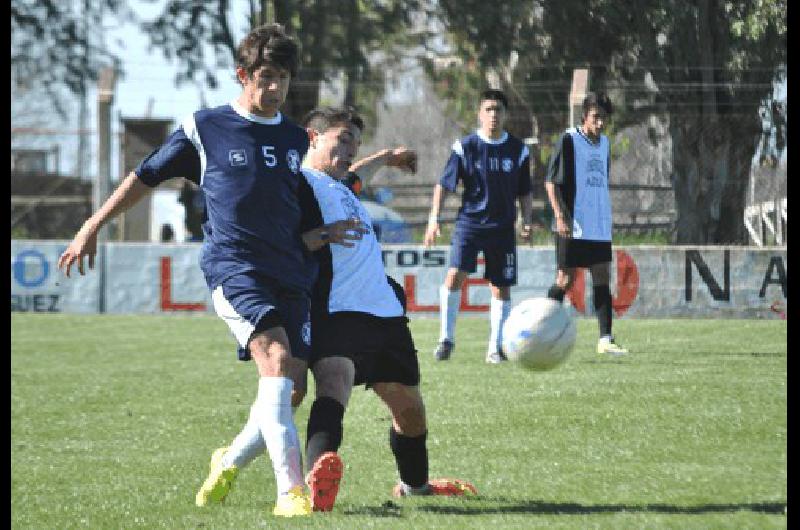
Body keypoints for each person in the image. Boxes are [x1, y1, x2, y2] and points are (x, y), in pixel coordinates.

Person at [57, 23, 361, 518]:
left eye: (282, 78)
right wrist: (93, 224)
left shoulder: (293, 138)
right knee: (278, 360)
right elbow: (144, 177)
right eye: (264, 77)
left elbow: (315, 188)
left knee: (290, 391)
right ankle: (289, 493)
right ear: (243, 75)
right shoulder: (206, 128)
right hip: (236, 270)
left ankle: (228, 461)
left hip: (292, 274)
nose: (274, 88)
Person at [195, 106, 477, 512]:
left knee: (410, 410)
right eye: (343, 140)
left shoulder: (342, 185)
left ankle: (415, 487)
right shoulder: (295, 184)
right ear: (312, 137)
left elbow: (357, 174)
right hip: (335, 309)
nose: (350, 151)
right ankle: (315, 484)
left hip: (384, 311)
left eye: (355, 144)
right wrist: (325, 234)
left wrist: (386, 158)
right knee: (332, 385)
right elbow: (284, 243)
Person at [424, 89, 534, 363]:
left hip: (502, 228)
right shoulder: (465, 147)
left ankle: (496, 348)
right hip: (470, 224)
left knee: (501, 286)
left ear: (506, 115)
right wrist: (433, 218)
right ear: (479, 113)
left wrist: (527, 220)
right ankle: (445, 339)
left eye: (498, 109)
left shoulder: (518, 150)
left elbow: (525, 192)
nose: (493, 115)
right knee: (454, 277)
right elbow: (444, 185)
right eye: (488, 109)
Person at [543, 91, 628, 356]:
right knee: (565, 279)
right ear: (584, 116)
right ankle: (542, 328)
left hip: (598, 225)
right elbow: (550, 183)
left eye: (604, 119)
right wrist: (560, 216)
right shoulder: (569, 140)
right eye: (595, 118)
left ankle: (605, 339)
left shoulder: (604, 145)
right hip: (573, 223)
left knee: (602, 276)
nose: (600, 124)